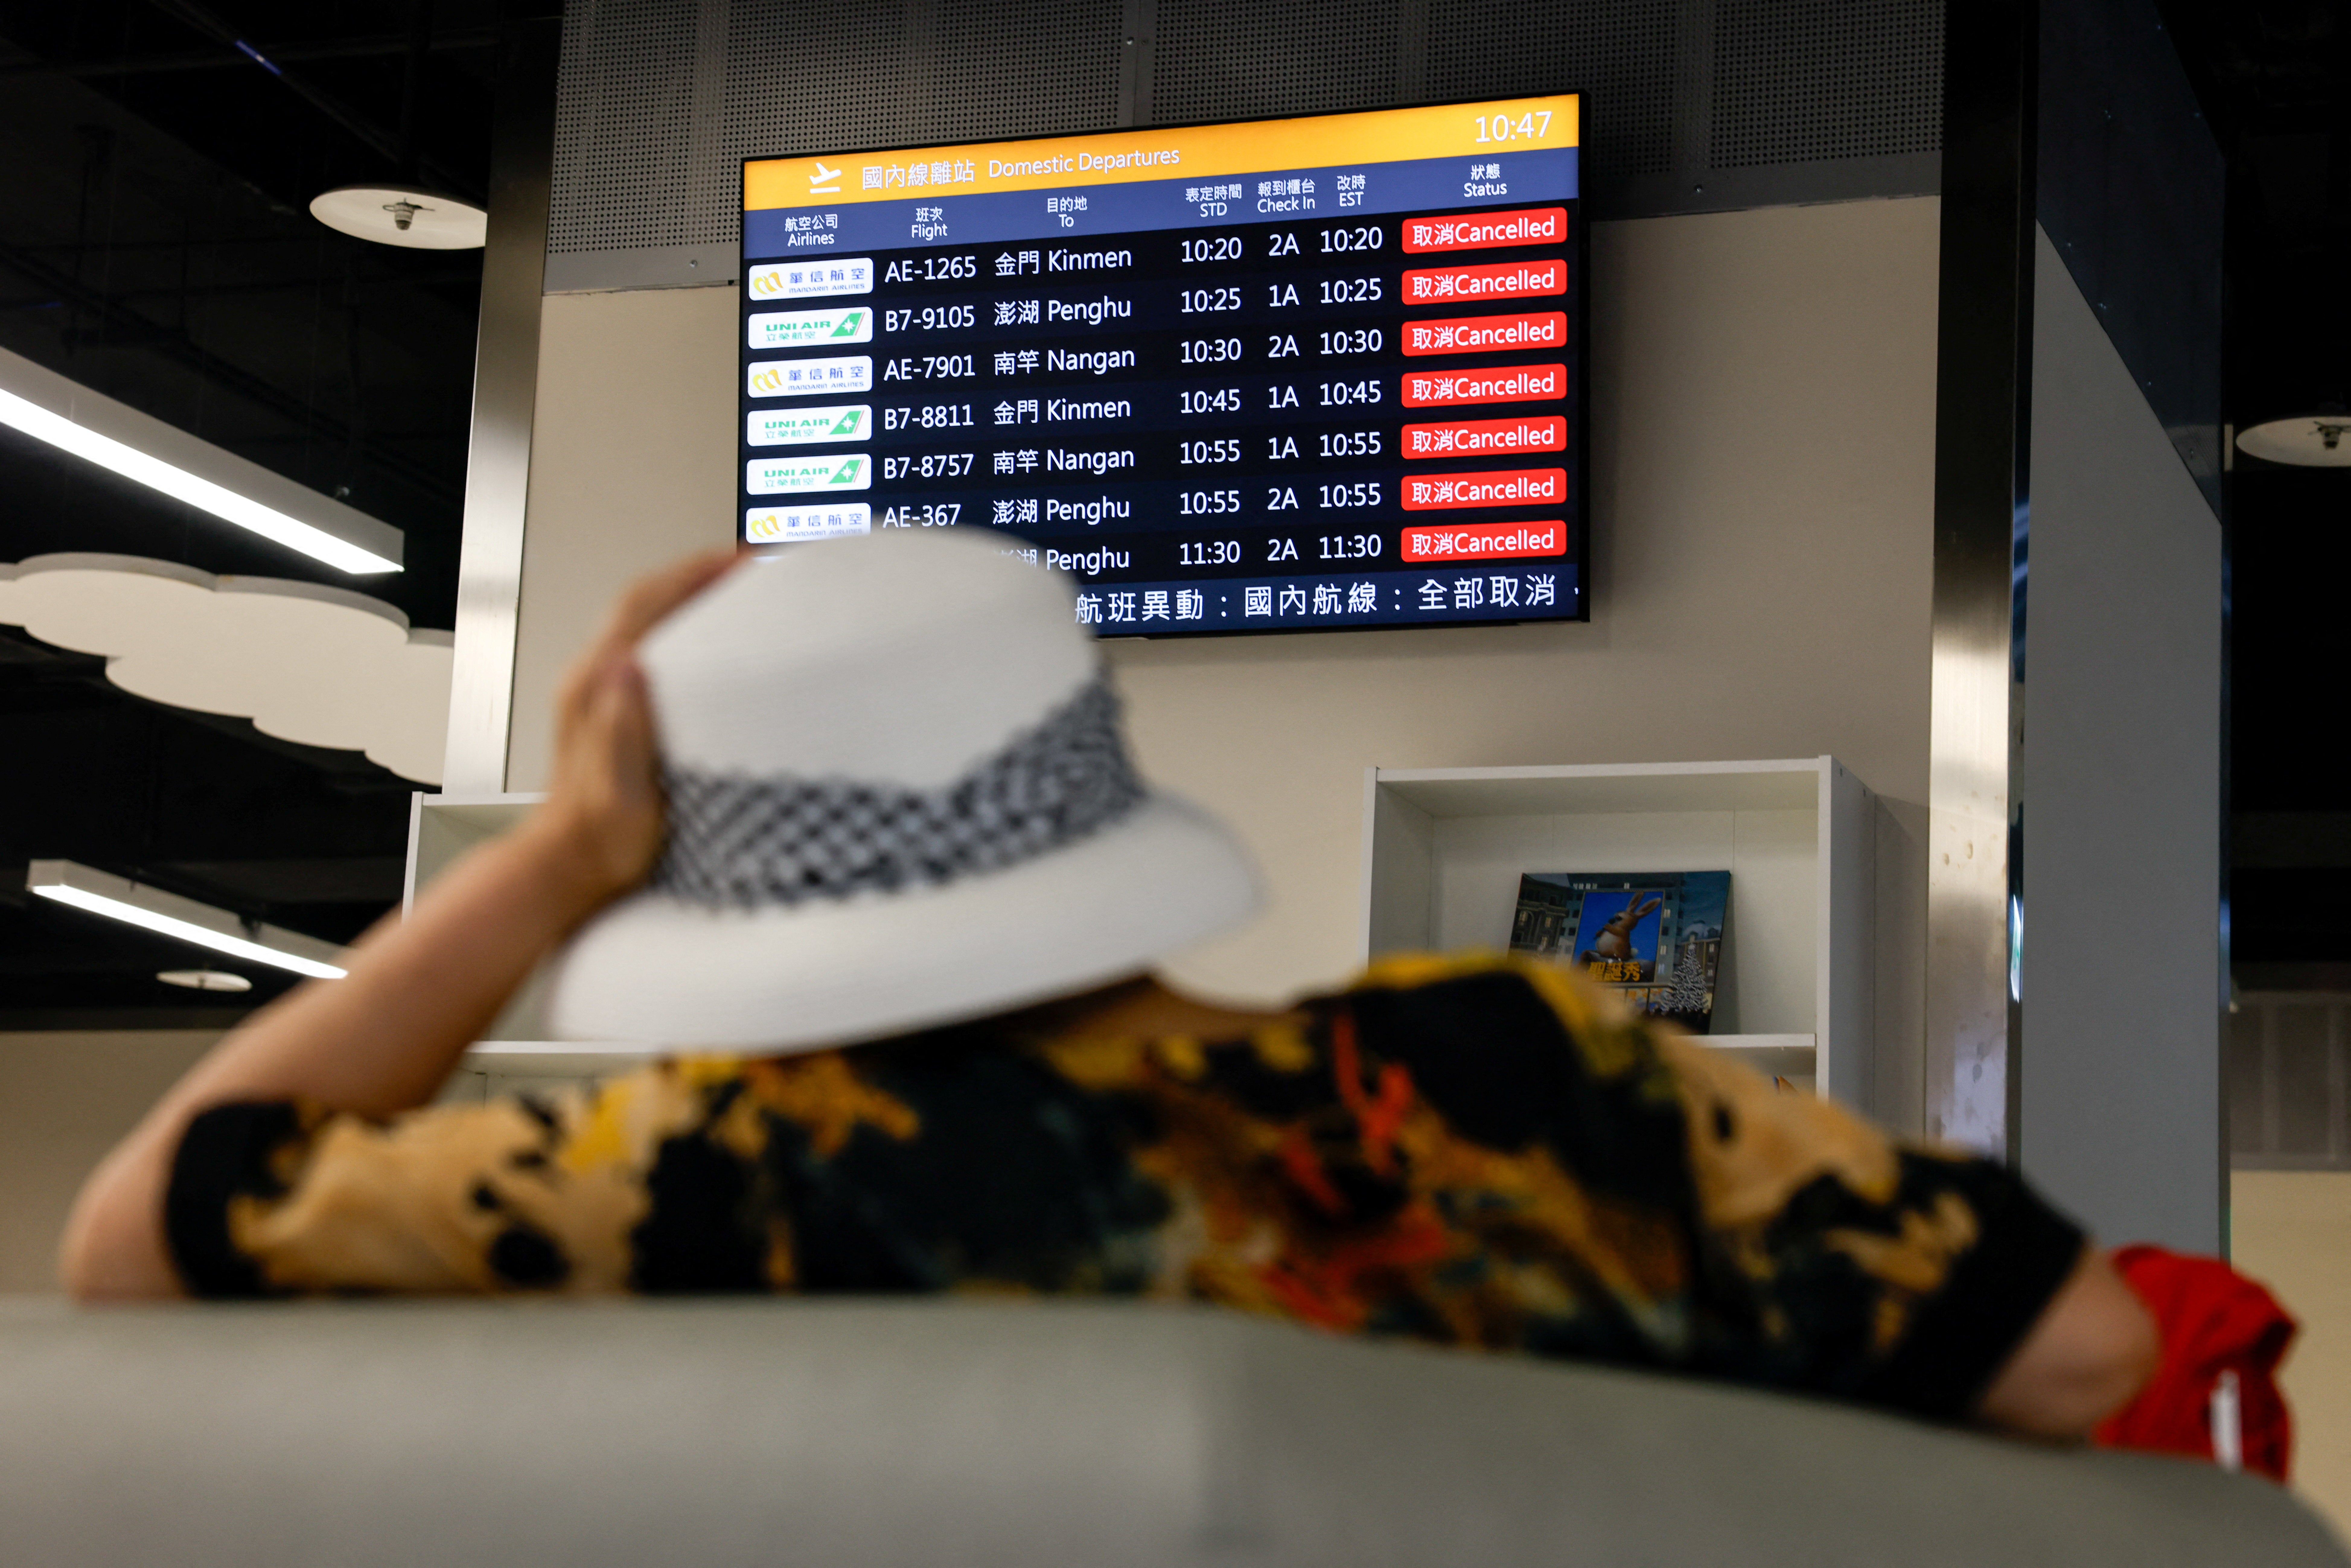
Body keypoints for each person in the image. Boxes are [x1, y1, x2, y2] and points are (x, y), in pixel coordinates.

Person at [60, 531, 2156, 1441]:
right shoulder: (1520, 1072)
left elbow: (141, 1233)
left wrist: (550, 864)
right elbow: (2081, 1354)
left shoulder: (678, 1181)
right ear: (1094, 796)